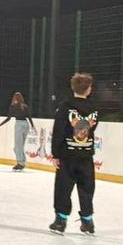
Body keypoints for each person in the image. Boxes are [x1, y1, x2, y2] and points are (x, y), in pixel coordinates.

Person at [49, 73, 98, 235]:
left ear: (73, 87)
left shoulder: (65, 106)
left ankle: (60, 221)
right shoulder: (93, 108)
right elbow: (92, 129)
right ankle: (87, 221)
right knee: (86, 188)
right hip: (86, 156)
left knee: (63, 188)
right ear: (89, 90)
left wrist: (55, 153)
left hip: (67, 155)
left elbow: (59, 131)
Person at [0, 92, 35, 171]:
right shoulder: (25, 106)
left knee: (17, 147)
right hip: (26, 125)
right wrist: (32, 126)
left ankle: (20, 163)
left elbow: (8, 118)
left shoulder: (13, 106)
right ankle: (22, 162)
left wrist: (0, 124)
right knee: (20, 146)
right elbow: (29, 116)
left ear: (14, 98)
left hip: (19, 125)